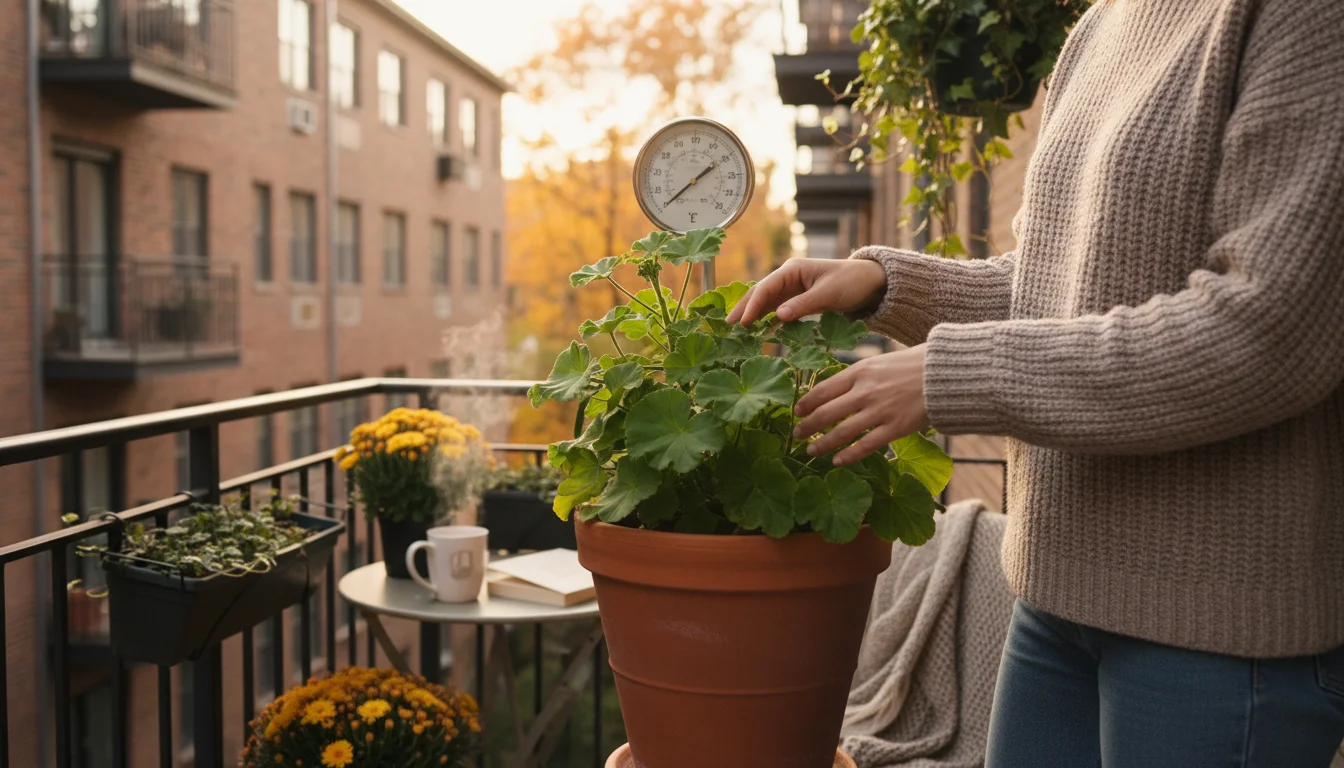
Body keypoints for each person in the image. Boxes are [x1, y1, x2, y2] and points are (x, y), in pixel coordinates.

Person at [728, 0, 1344, 764]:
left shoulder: (1302, 17)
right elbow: (1059, 283)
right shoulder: (1102, 24)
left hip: (1214, 631)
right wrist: (885, 283)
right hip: (1054, 600)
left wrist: (949, 376)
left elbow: (1269, 332)